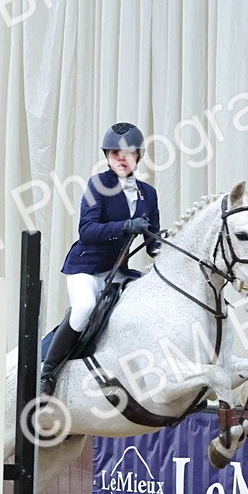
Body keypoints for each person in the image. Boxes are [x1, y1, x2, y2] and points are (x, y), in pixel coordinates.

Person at [39, 122, 162, 397]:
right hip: (86, 267)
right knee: (84, 307)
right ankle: (48, 371)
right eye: (115, 153)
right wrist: (125, 225)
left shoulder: (149, 194)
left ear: (138, 156)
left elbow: (153, 243)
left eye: (128, 153)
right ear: (107, 156)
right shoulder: (98, 185)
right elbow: (87, 231)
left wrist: (167, 246)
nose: (121, 158)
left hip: (117, 271)